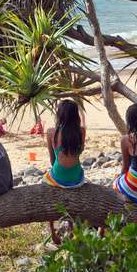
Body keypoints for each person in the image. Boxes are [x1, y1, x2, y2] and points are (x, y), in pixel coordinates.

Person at [43, 100, 86, 244]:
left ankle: (52, 230)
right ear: (76, 116)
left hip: (59, 175)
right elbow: (79, 152)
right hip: (77, 177)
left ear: (59, 115)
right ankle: (73, 229)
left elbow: (52, 159)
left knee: (47, 192)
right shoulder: (81, 131)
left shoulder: (51, 132)